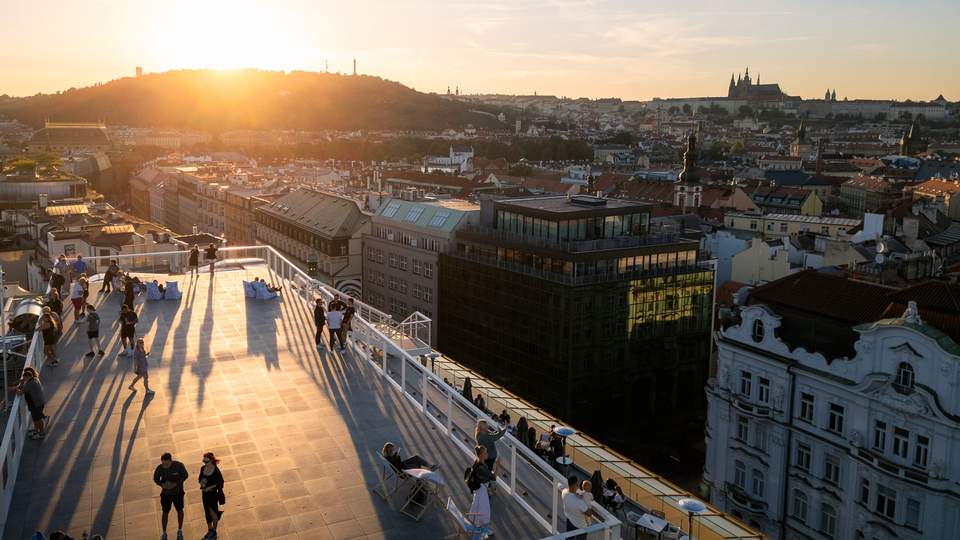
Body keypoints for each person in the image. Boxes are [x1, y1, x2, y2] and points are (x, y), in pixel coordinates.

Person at [154, 452, 189, 540]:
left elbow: (185, 475)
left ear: (171, 461)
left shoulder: (179, 465)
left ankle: (180, 530)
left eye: (167, 464)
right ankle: (164, 533)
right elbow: (155, 478)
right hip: (166, 494)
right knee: (165, 512)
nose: (165, 466)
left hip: (178, 493)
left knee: (180, 510)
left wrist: (175, 484)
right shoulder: (159, 468)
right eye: (163, 464)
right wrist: (162, 485)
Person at [465, 445, 493, 532]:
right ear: (481, 455)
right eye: (485, 452)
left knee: (476, 505)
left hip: (478, 488)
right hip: (481, 489)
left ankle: (474, 523)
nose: (487, 454)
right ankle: (482, 528)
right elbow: (493, 477)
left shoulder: (477, 461)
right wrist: (498, 464)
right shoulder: (481, 466)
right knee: (484, 509)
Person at [562, 475, 598, 540]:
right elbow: (589, 513)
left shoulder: (564, 492)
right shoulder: (579, 502)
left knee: (569, 538)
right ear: (576, 484)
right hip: (580, 526)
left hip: (569, 520)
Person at [198, 452, 225, 539]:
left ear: (210, 460)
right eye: (204, 459)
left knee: (213, 512)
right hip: (204, 494)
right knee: (207, 512)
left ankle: (214, 531)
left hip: (212, 494)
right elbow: (200, 479)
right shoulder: (203, 468)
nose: (204, 461)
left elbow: (220, 482)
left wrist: (210, 487)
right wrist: (202, 483)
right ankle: (210, 530)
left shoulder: (216, 470)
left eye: (206, 459)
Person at [17, 367, 47, 440]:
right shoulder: (35, 379)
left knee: (37, 419)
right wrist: (22, 383)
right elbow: (24, 387)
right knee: (36, 418)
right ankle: (37, 431)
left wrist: (17, 388)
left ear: (28, 376)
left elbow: (20, 392)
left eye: (24, 377)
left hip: (36, 404)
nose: (24, 378)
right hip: (39, 402)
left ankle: (41, 433)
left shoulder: (30, 383)